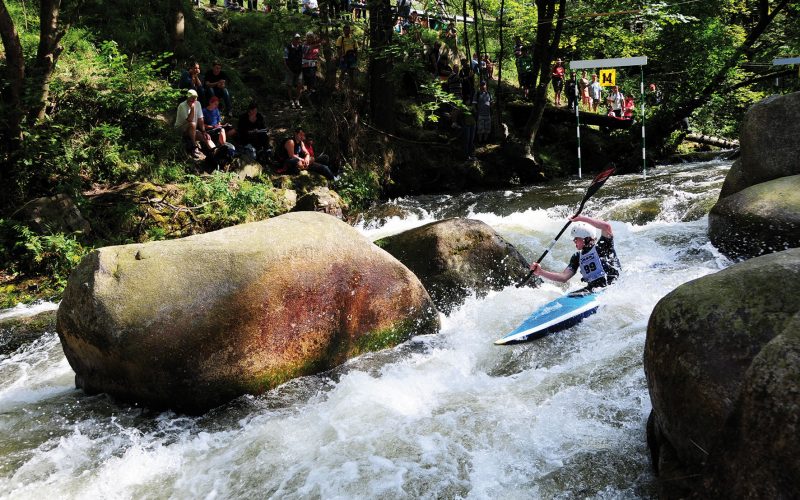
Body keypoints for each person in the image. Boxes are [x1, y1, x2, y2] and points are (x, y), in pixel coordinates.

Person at [529, 215, 621, 291]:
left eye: (576, 239)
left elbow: (606, 227)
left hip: (612, 286)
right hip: (593, 289)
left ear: (586, 238)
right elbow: (563, 277)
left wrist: (581, 218)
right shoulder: (577, 256)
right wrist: (541, 272)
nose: (574, 241)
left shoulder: (603, 246)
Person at [284, 33, 304, 108]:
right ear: (292, 39)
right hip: (290, 69)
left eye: (298, 38)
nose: (297, 40)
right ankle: (291, 100)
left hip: (299, 69)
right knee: (289, 85)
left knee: (300, 85)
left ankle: (297, 100)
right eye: (296, 38)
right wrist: (288, 70)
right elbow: (285, 60)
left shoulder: (301, 47)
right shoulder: (288, 48)